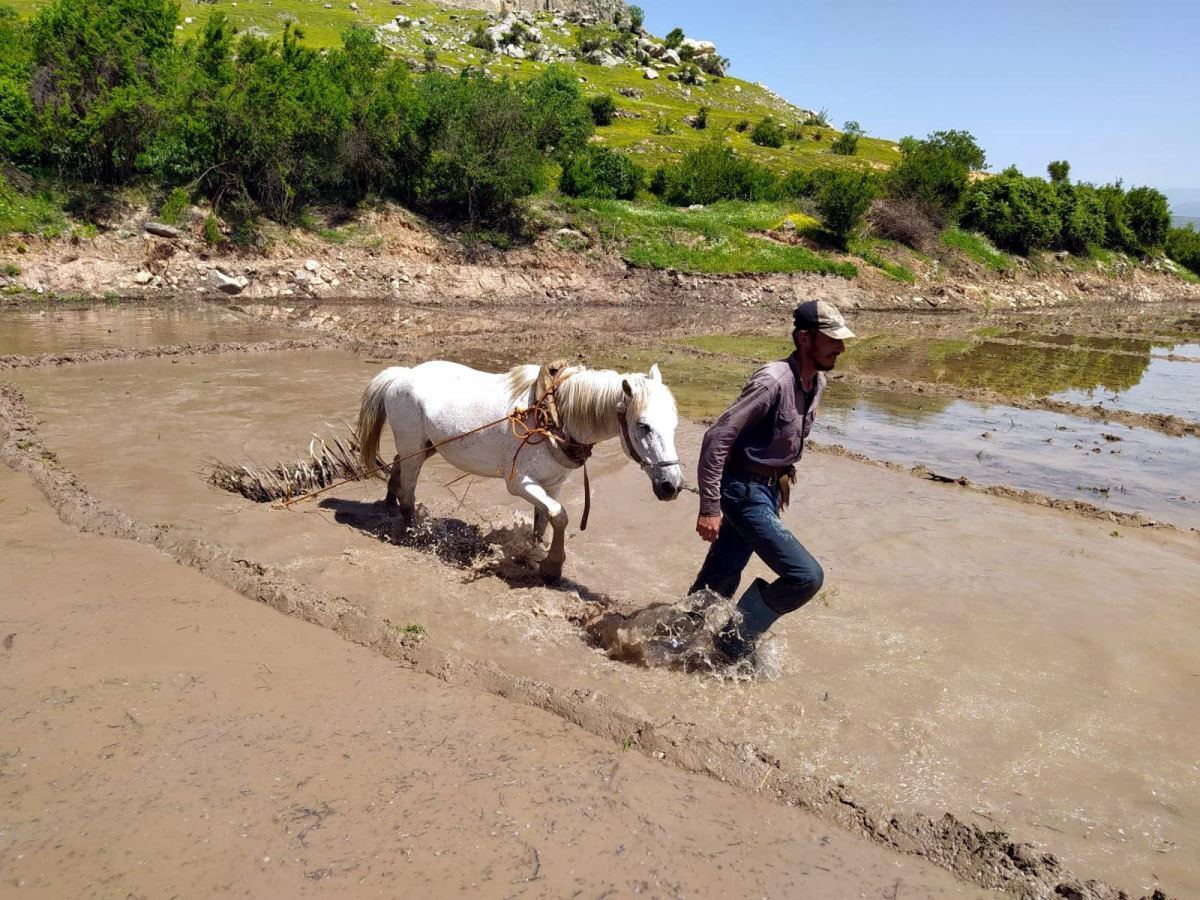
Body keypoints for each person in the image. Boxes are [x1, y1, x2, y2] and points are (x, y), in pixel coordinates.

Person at [690, 299, 854, 665]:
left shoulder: (816, 382)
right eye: (831, 339)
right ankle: (731, 645)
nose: (840, 347)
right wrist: (710, 506)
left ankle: (676, 640)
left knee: (721, 578)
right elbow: (717, 438)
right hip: (742, 492)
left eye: (840, 340)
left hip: (764, 491)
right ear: (804, 338)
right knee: (805, 576)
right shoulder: (773, 381)